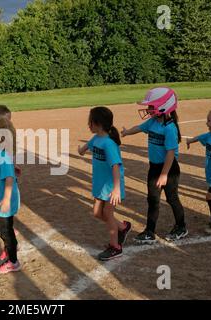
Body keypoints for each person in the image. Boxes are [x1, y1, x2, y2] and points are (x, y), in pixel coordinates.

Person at [122, 87, 188, 244]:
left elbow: (171, 153)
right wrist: (127, 132)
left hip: (169, 169)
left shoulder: (170, 128)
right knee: (152, 199)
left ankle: (181, 226)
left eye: (151, 106)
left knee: (172, 198)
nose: (148, 109)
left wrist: (164, 174)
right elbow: (139, 128)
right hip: (154, 167)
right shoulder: (152, 122)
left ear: (164, 106)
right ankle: (149, 231)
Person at [78, 106, 130, 261]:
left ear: (98, 123)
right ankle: (122, 227)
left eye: (90, 122)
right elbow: (84, 149)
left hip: (111, 185)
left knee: (107, 213)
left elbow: (116, 166)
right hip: (100, 184)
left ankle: (115, 247)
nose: (88, 124)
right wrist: (80, 150)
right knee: (96, 213)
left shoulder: (108, 144)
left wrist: (116, 189)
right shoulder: (96, 139)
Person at [0, 117, 21, 273]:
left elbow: (9, 177)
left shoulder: (2, 154)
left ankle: (13, 262)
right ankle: (10, 239)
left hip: (4, 198)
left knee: (5, 231)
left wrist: (6, 199)